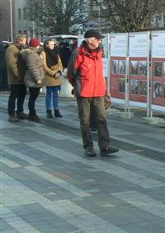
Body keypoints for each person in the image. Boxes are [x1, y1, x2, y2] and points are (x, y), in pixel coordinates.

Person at [67, 29, 118, 157]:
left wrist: (105, 89)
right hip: (84, 93)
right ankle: (88, 147)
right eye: (98, 38)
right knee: (85, 121)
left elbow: (100, 73)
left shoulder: (100, 51)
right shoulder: (78, 53)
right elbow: (70, 73)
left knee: (102, 119)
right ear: (90, 40)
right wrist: (77, 86)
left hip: (99, 92)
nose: (100, 41)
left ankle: (105, 146)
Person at [21, 38, 44, 123]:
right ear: (35, 45)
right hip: (33, 79)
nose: (39, 46)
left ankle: (32, 113)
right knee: (33, 97)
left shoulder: (34, 53)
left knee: (33, 97)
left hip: (34, 79)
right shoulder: (31, 54)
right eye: (38, 44)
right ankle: (32, 114)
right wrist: (38, 78)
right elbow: (32, 67)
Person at [6, 34, 28, 123]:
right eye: (25, 40)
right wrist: (18, 76)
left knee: (22, 93)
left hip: (22, 76)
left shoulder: (20, 48)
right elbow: (12, 64)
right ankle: (11, 114)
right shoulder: (11, 49)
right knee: (14, 95)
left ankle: (20, 111)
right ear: (20, 40)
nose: (26, 42)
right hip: (15, 77)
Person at [42, 38, 64, 118]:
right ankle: (49, 111)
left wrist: (59, 71)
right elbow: (44, 66)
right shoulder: (43, 53)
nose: (52, 46)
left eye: (53, 44)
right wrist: (53, 73)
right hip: (49, 76)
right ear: (46, 45)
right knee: (49, 94)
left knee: (56, 94)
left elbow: (60, 63)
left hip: (56, 75)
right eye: (50, 44)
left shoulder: (56, 52)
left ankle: (56, 110)